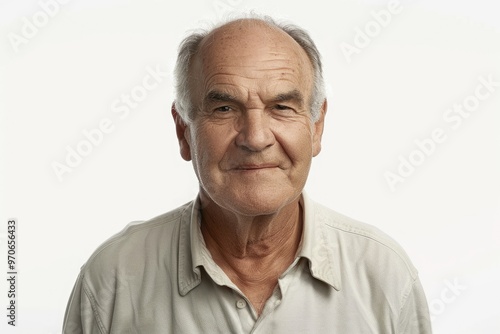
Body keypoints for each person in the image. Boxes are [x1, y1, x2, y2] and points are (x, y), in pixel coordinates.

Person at [63, 15, 432, 333]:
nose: (255, 138)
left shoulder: (384, 277)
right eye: (224, 108)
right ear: (183, 132)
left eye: (282, 107)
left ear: (316, 127)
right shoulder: (111, 281)